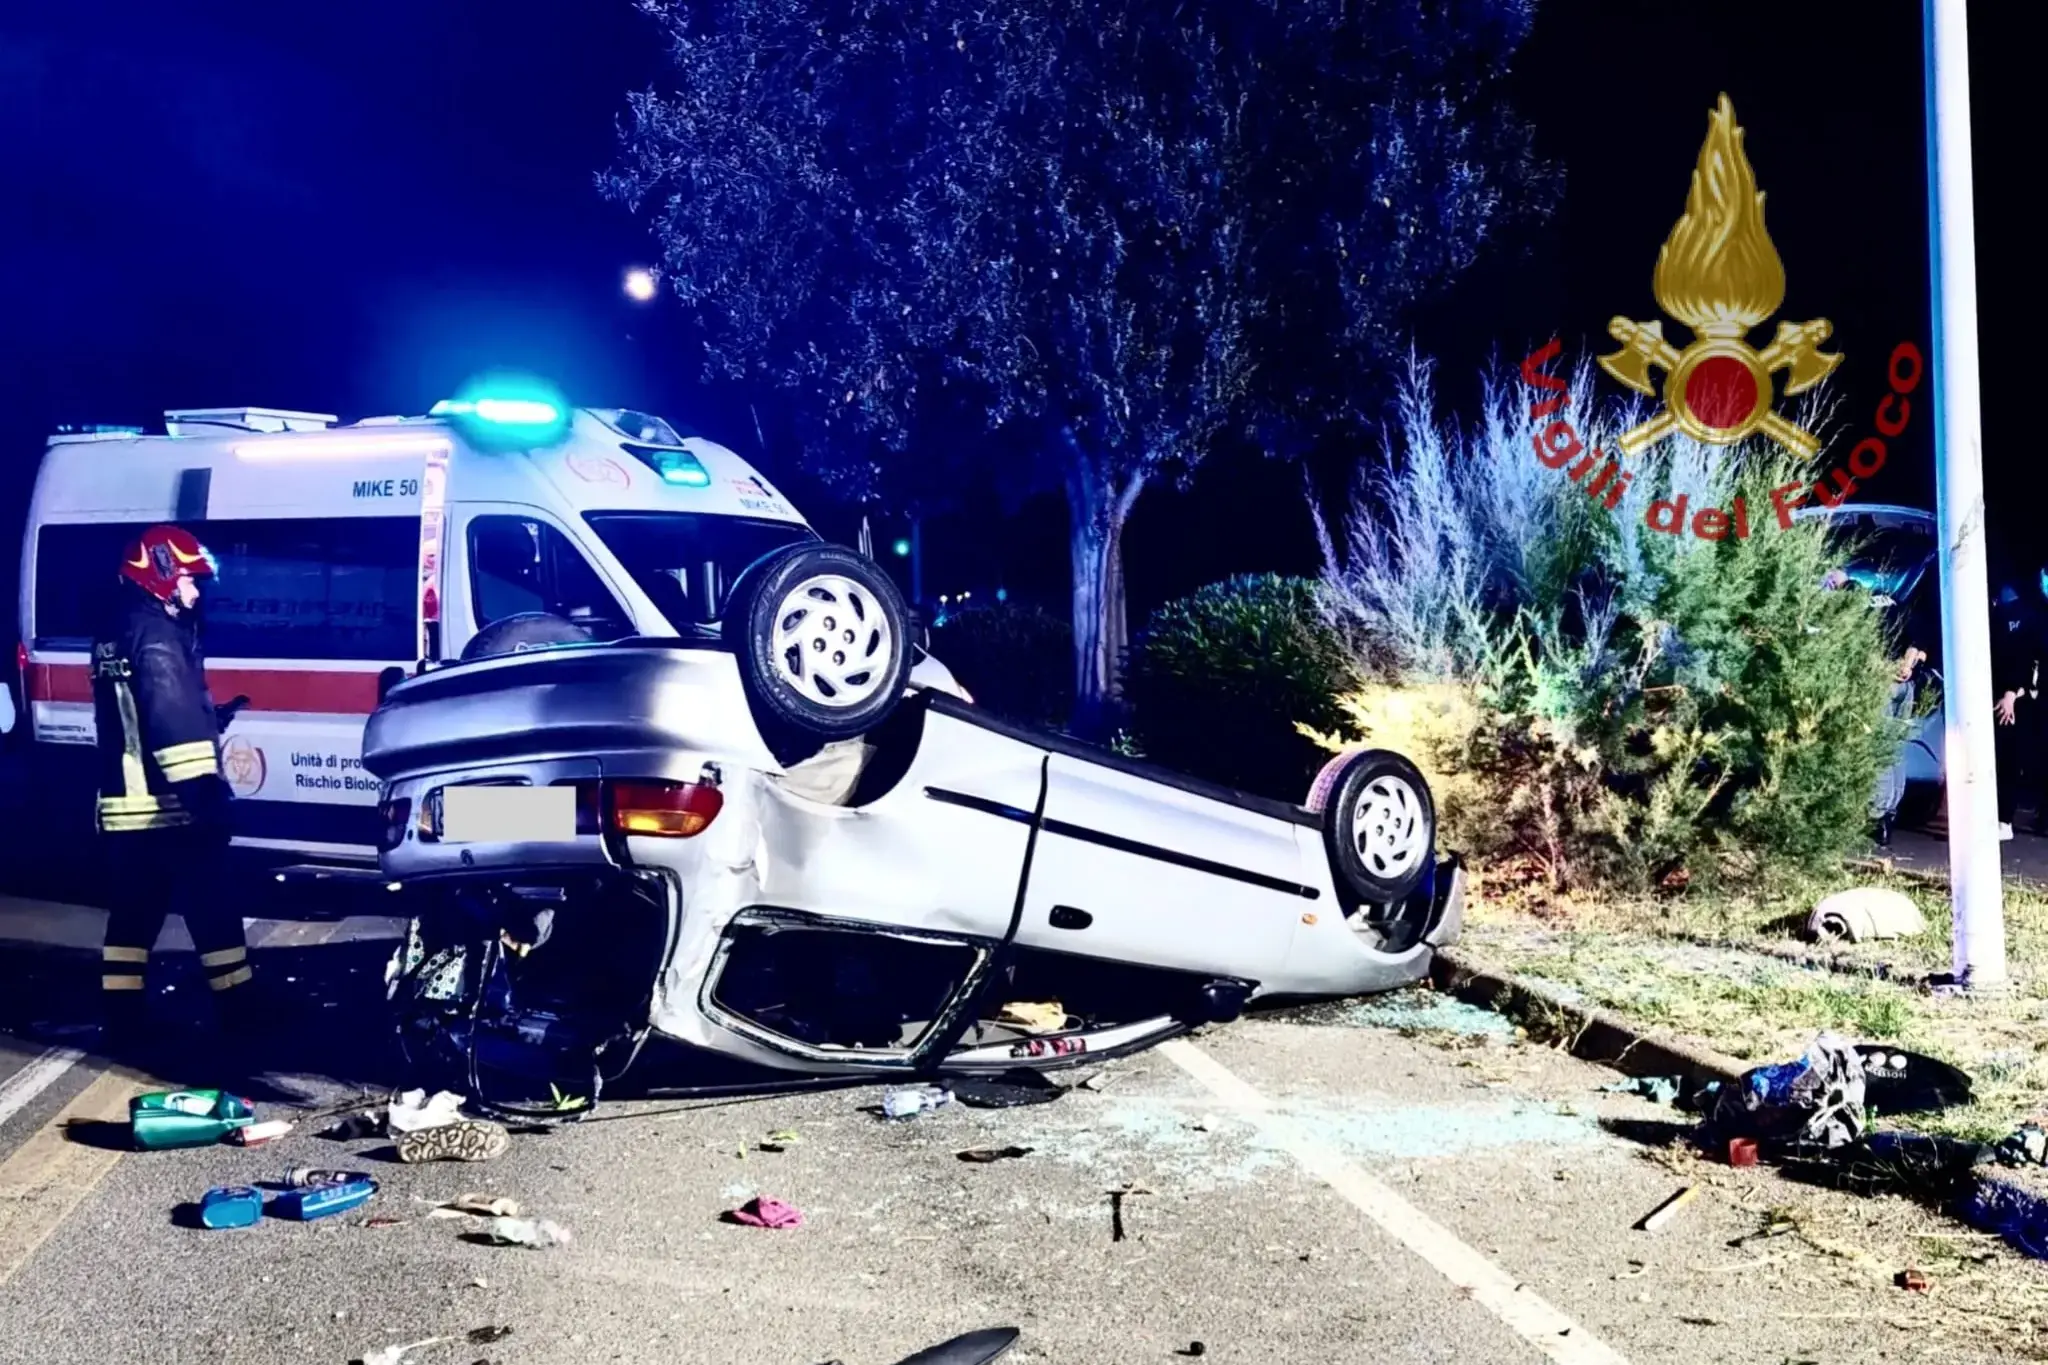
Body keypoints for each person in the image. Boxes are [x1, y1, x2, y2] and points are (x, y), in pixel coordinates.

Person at [92, 524, 254, 1055]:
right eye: (188, 579)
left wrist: (212, 715)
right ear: (159, 575)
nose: (195, 591)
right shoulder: (158, 636)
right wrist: (206, 798)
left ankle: (121, 1020)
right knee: (214, 908)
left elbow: (140, 715)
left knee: (133, 919)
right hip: (171, 807)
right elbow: (169, 718)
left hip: (128, 809)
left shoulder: (119, 628)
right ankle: (241, 1012)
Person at [1992, 581, 2043, 841]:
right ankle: (2001, 818)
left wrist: (2012, 693)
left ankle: (2003, 819)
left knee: (2008, 759)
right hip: (2014, 697)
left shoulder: (2015, 619)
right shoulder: (2028, 616)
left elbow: (2024, 659)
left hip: (2012, 699)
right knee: (2007, 760)